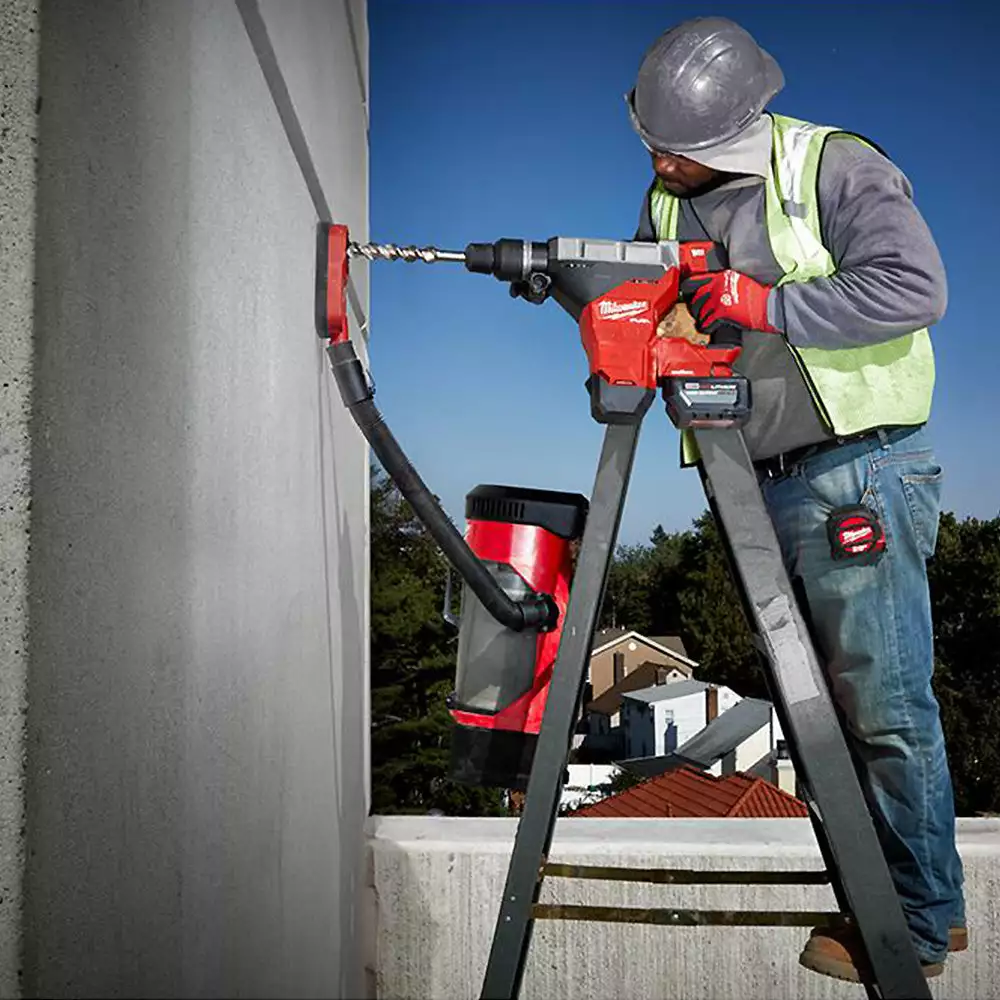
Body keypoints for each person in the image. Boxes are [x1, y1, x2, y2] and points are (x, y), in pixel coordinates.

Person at [626, 15, 965, 983]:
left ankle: (922, 918)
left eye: (675, 150)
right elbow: (645, 292)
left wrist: (767, 305)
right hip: (753, 479)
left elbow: (916, 287)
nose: (659, 164)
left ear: (732, 129)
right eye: (649, 144)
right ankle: (875, 902)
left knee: (882, 707)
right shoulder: (664, 200)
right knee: (812, 715)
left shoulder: (832, 167)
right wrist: (625, 320)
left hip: (856, 469)